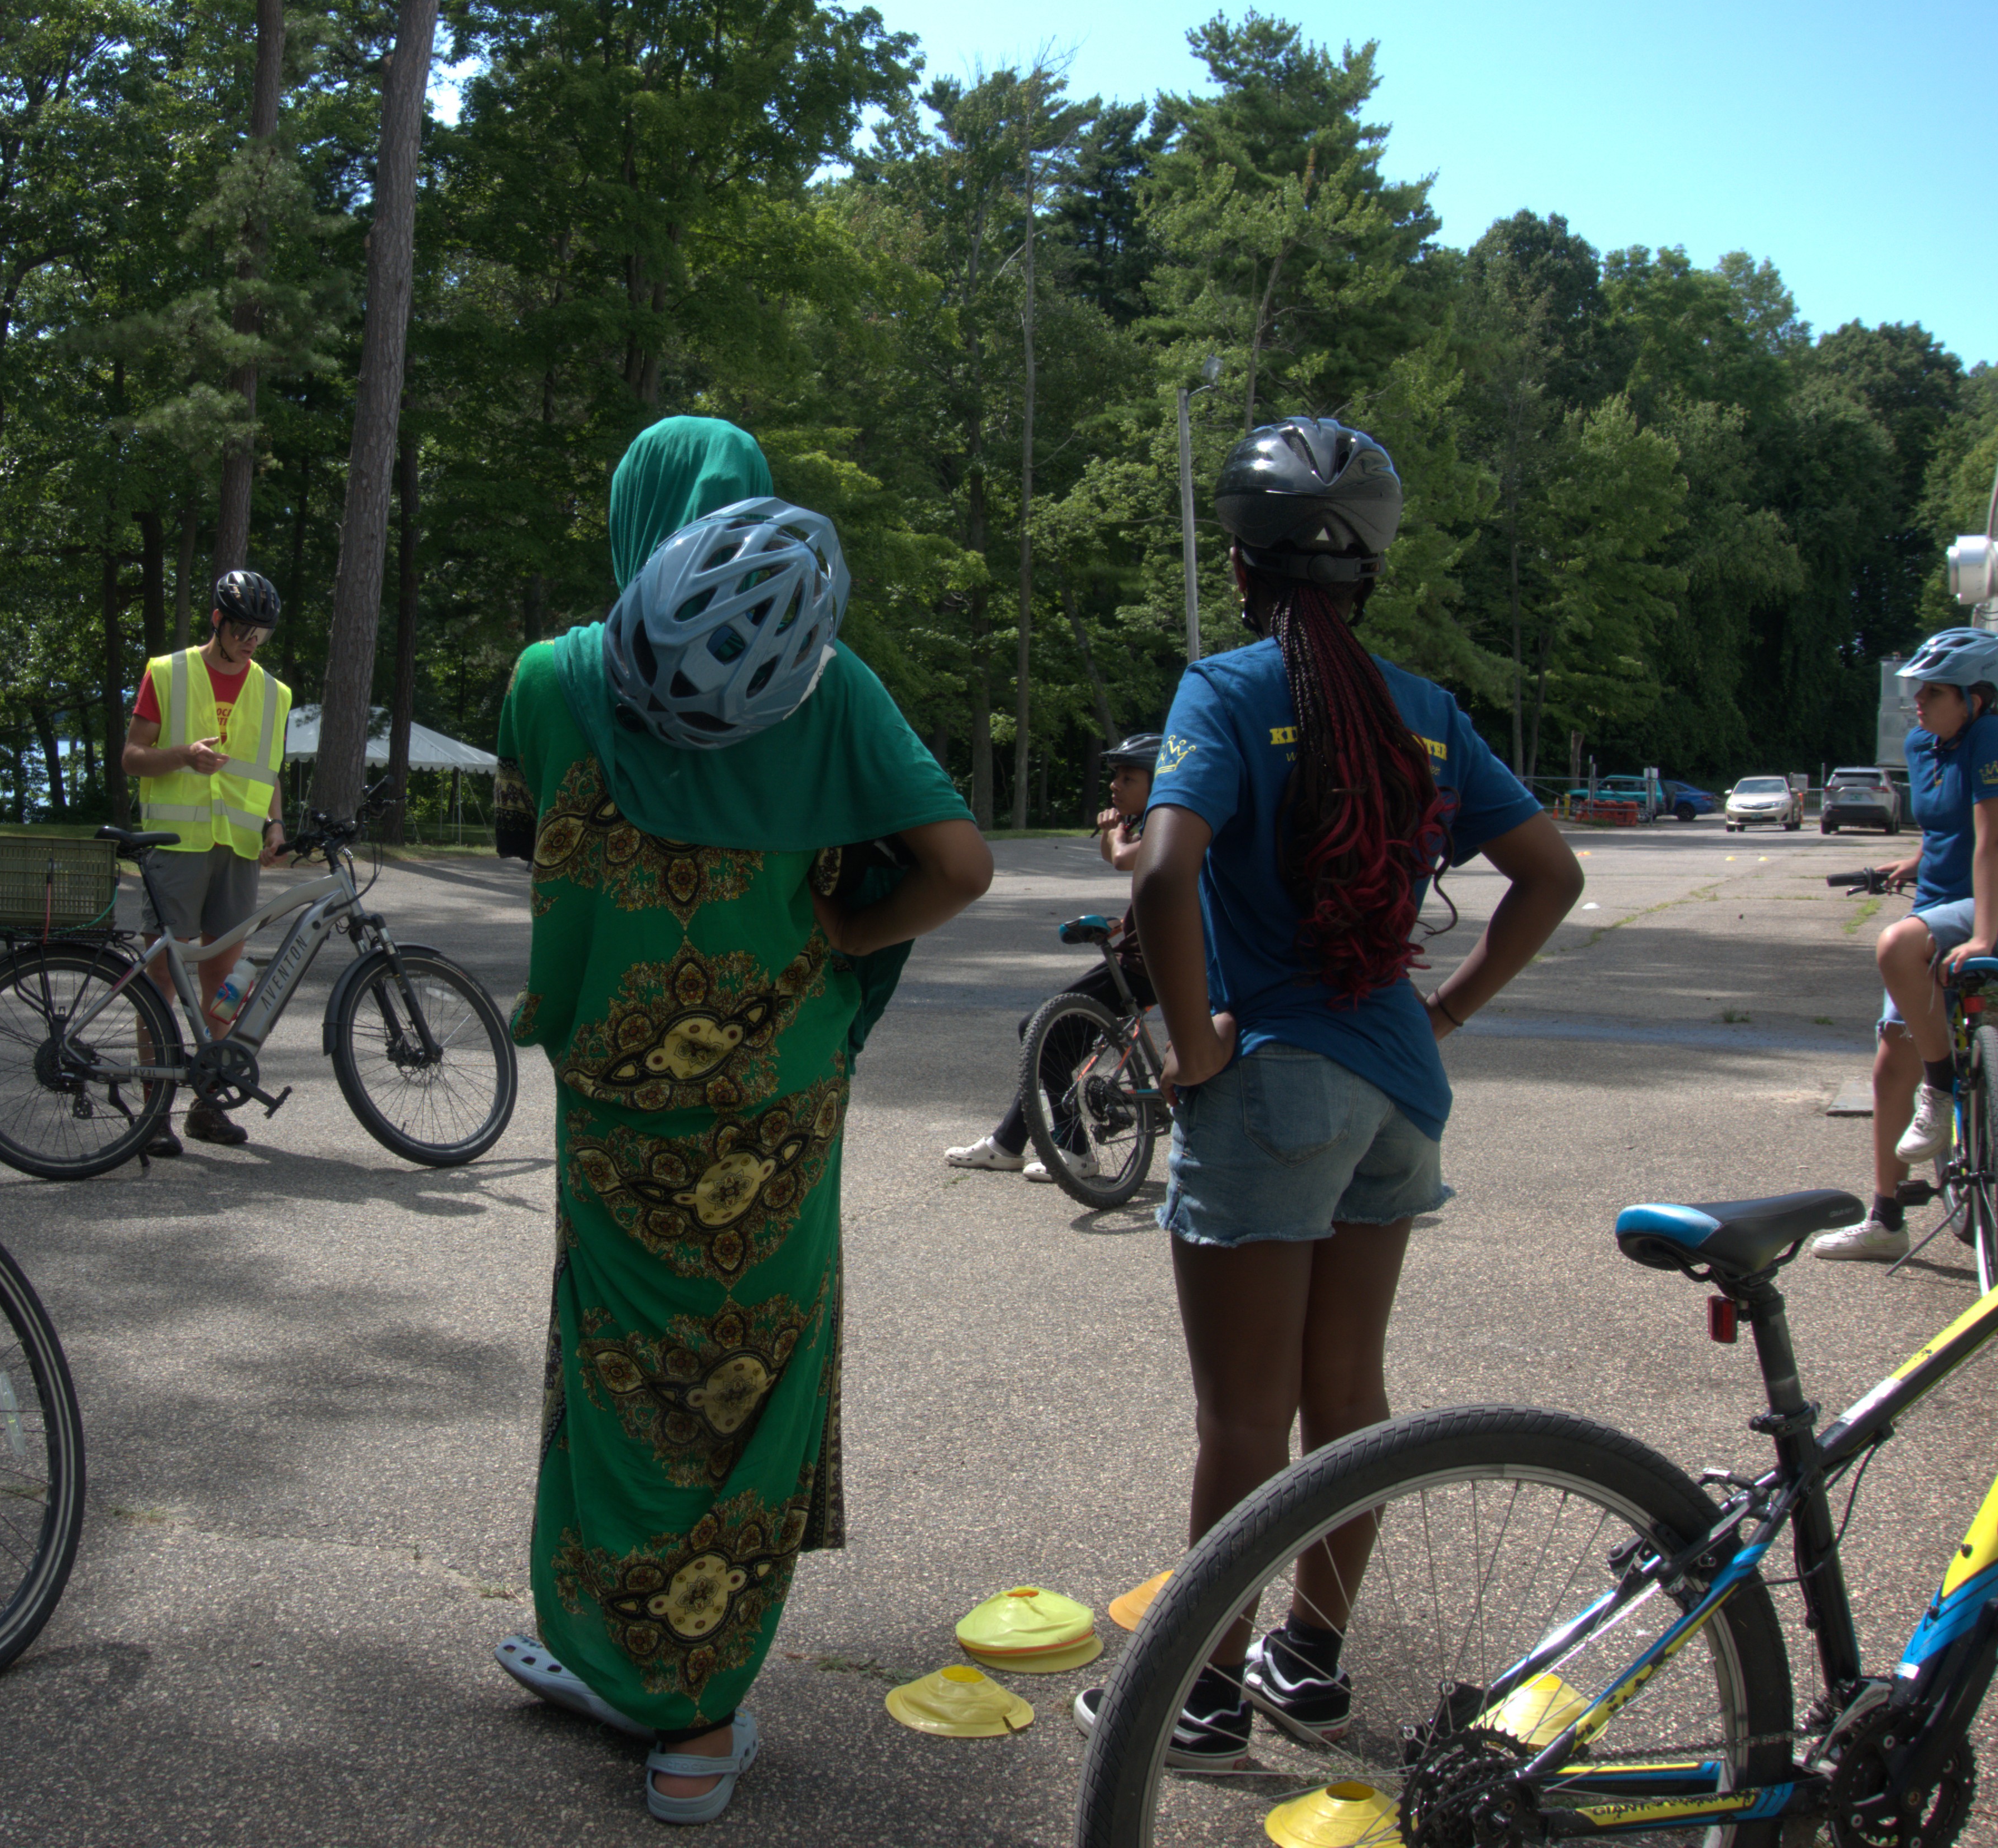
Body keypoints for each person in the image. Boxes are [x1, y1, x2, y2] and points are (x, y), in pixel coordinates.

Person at [485, 417, 992, 1825]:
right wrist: (847, 920)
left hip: (615, 1114)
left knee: (619, 1378)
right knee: (746, 1388)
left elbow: (545, 842)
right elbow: (959, 862)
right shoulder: (829, 690)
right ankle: (695, 1718)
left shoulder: (550, 680)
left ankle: (620, 1658)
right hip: (775, 1114)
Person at [1101, 417, 1581, 1764]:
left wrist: (1195, 1048)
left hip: (1276, 1091)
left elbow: (1160, 871)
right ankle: (1307, 1657)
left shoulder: (1225, 687)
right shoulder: (1426, 712)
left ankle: (1193, 1692)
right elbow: (1553, 874)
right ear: (1369, 565)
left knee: (1244, 1414)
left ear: (1246, 565)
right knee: (1346, 1387)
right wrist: (1443, 1010)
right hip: (1397, 1089)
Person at [1813, 627, 1998, 1261]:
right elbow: (1949, 827)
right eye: (1917, 690)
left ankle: (1943, 1090)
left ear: (1975, 698)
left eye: (1933, 691)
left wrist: (1983, 934)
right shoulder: (1927, 745)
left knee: (1896, 945)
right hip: (1942, 909)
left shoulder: (1993, 739)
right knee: (1891, 1060)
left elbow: (1993, 841)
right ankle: (1886, 1218)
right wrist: (1916, 858)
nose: (1917, 701)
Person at [118, 568, 290, 1154]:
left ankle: (208, 1105)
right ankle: (153, 1110)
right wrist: (183, 758)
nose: (250, 642)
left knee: (225, 983)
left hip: (238, 851)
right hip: (175, 846)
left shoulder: (274, 692)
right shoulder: (167, 673)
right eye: (241, 629)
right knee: (161, 978)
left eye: (260, 633)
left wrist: (275, 824)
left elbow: (268, 772)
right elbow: (132, 758)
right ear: (217, 620)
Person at [942, 730, 1165, 1181]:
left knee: (1039, 1031)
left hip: (1150, 966)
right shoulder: (1145, 823)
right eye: (1115, 777)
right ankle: (1008, 1143)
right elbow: (1116, 857)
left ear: (1158, 783)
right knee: (1055, 1047)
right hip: (1141, 957)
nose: (1115, 785)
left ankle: (1075, 1151)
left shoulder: (1167, 824)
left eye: (1128, 778)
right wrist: (1112, 832)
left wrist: (1115, 833)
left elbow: (1123, 859)